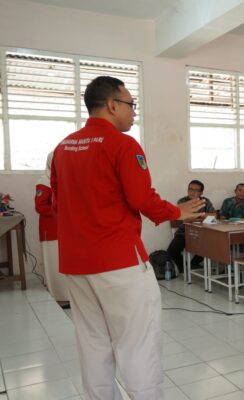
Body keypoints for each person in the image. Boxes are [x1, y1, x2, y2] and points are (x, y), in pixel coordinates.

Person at [50, 76, 204, 399]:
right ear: (112, 105)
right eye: (131, 104)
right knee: (138, 343)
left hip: (77, 263)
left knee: (92, 343)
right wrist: (177, 213)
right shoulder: (122, 145)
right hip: (119, 261)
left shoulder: (63, 148)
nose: (134, 112)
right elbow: (141, 198)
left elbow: (56, 204)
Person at [34, 151, 70, 308]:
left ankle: (68, 294)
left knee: (66, 264)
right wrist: (61, 209)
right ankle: (59, 295)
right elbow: (40, 207)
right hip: (51, 230)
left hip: (65, 229)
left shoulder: (65, 180)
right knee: (54, 263)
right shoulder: (44, 182)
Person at [166, 180, 216, 272]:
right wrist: (203, 216)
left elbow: (214, 216)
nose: (192, 192)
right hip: (184, 231)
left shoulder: (205, 201)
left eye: (196, 190)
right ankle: (184, 269)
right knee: (171, 251)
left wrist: (196, 216)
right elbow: (186, 219)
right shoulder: (182, 201)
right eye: (190, 189)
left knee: (212, 243)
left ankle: (193, 264)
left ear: (201, 193)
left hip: (203, 231)